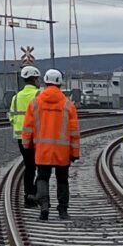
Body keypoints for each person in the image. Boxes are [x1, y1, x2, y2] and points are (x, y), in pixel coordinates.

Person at [29, 68, 79, 219]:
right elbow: (74, 132)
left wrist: (27, 146)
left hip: (42, 149)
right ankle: (63, 210)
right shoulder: (68, 105)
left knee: (42, 177)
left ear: (45, 82)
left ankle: (44, 205)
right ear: (60, 84)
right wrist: (75, 153)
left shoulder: (35, 103)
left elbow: (28, 128)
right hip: (62, 151)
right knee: (62, 179)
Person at [10, 65, 43, 209]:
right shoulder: (38, 95)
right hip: (37, 137)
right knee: (42, 167)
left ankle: (28, 198)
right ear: (35, 79)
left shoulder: (16, 97)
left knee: (29, 167)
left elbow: (11, 117)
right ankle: (37, 195)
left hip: (21, 138)